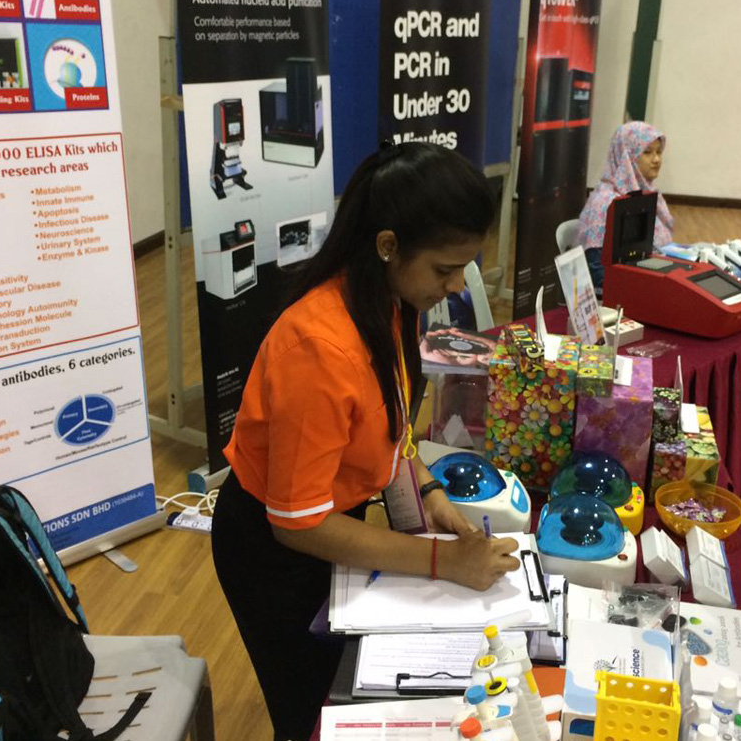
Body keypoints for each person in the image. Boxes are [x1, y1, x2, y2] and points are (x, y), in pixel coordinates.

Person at [211, 142, 521, 741]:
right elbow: (297, 523)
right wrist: (444, 562)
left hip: (331, 523)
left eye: (464, 267)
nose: (457, 286)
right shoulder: (319, 349)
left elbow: (388, 418)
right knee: (313, 712)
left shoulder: (390, 300)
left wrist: (426, 489)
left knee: (347, 690)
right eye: (444, 269)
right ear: (387, 246)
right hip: (274, 552)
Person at [577, 121, 673, 294]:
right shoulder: (605, 204)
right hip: (620, 296)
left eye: (659, 152)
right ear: (626, 157)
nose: (657, 160)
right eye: (647, 152)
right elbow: (599, 274)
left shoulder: (647, 195)